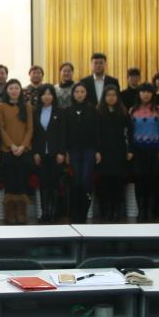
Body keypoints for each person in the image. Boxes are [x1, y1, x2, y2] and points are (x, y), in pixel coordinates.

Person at [0, 79, 33, 225]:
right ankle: (10, 213)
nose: (14, 91)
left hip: (24, 151)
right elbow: (0, 128)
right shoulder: (1, 107)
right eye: (11, 88)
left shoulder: (27, 107)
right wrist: (11, 145)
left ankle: (21, 213)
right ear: (7, 90)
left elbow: (30, 128)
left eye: (16, 88)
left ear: (20, 90)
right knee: (10, 181)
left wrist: (23, 146)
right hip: (7, 150)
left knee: (22, 182)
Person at [129, 83, 159, 222]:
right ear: (139, 94)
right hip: (137, 151)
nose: (146, 94)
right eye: (143, 92)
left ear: (153, 94)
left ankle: (150, 212)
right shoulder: (132, 110)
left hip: (154, 150)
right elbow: (128, 131)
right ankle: (141, 211)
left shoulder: (158, 110)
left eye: (149, 92)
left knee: (152, 181)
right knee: (139, 180)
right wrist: (130, 149)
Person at [95, 86, 130, 223]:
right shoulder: (98, 112)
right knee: (104, 182)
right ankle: (106, 210)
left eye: (114, 95)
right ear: (104, 97)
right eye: (108, 95)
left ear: (118, 97)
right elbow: (96, 134)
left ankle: (116, 211)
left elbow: (129, 132)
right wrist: (97, 151)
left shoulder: (123, 112)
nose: (111, 97)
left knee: (118, 182)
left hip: (119, 152)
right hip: (103, 153)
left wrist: (129, 150)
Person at [64, 82, 97, 223]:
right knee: (76, 181)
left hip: (89, 150)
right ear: (73, 94)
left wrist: (97, 150)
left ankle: (84, 212)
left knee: (85, 180)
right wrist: (65, 152)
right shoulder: (67, 111)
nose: (79, 94)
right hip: (73, 151)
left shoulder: (93, 110)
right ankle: (74, 212)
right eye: (77, 92)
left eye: (82, 92)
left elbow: (97, 131)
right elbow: (65, 133)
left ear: (86, 94)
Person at [32, 84, 66, 223]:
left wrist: (61, 152)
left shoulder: (60, 112)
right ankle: (45, 212)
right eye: (44, 94)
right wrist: (35, 152)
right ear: (40, 96)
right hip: (41, 154)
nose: (47, 97)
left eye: (49, 94)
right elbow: (33, 134)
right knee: (43, 184)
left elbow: (63, 134)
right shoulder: (35, 112)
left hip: (55, 154)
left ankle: (54, 213)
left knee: (54, 184)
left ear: (53, 96)